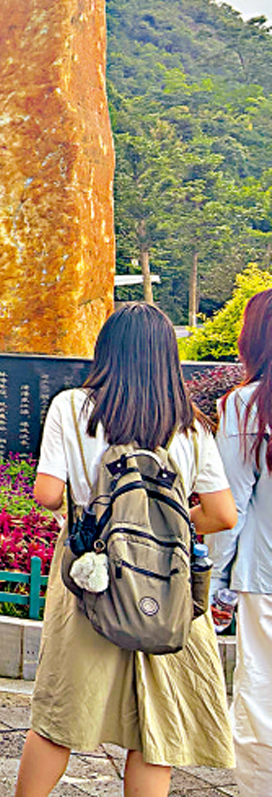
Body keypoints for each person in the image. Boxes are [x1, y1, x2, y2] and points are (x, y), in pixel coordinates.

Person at [16, 302, 236, 797]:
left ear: (106, 351)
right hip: (169, 586)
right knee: (155, 734)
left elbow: (48, 494)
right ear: (167, 358)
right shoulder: (190, 425)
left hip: (90, 575)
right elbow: (223, 514)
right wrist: (165, 527)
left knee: (59, 717)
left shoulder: (73, 407)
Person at [208, 287, 272, 792]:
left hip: (265, 575)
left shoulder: (247, 407)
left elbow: (230, 509)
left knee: (262, 705)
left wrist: (217, 586)